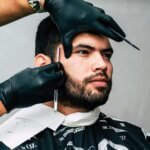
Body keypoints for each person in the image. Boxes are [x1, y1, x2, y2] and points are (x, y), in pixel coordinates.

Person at [0, 15, 150, 149]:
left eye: (106, 55)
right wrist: (5, 97)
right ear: (44, 65)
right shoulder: (9, 142)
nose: (102, 64)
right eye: (83, 52)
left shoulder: (140, 140)